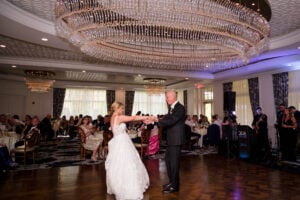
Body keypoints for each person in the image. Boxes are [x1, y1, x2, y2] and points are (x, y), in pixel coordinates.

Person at [105, 102, 152, 200]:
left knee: (118, 164)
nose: (123, 110)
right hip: (122, 142)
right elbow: (133, 118)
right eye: (121, 108)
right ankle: (128, 187)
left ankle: (118, 185)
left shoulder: (113, 117)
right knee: (127, 163)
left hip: (118, 141)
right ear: (117, 109)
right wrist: (146, 117)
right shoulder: (118, 117)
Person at [153, 90, 186, 194]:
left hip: (176, 140)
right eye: (166, 97)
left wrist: (157, 120)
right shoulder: (172, 108)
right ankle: (172, 182)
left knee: (174, 164)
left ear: (173, 97)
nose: (166, 99)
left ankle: (175, 186)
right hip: (171, 139)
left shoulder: (180, 108)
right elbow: (167, 118)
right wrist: (154, 119)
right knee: (168, 161)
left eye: (167, 97)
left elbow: (171, 120)